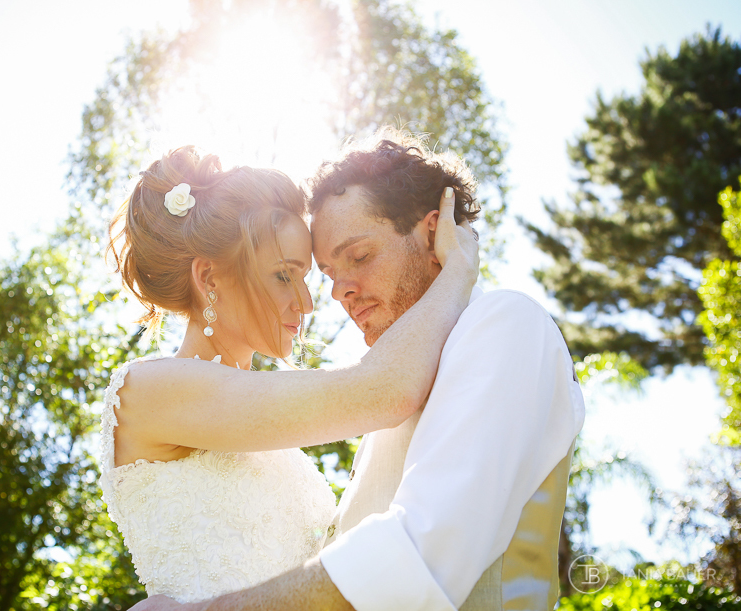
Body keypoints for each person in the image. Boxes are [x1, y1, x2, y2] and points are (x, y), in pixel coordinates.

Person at [130, 131, 585, 611]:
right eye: (326, 273)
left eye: (360, 257)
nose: (333, 295)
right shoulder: (394, 399)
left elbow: (417, 557)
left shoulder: (503, 323)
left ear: (435, 234)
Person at [99, 144, 480, 604]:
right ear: (210, 279)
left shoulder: (276, 440)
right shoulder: (148, 392)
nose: (307, 302)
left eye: (305, 278)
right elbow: (385, 392)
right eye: (284, 276)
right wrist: (457, 271)